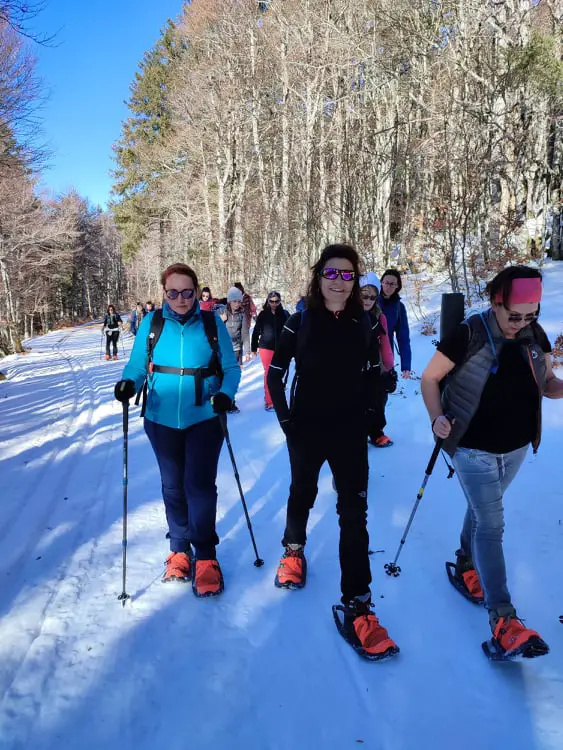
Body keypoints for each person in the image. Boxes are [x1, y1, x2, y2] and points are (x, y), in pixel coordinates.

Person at [421, 266, 563, 659]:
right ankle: (504, 621)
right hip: (472, 447)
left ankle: (465, 560)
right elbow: (430, 379)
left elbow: (547, 385)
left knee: (483, 510)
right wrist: (437, 419)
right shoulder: (468, 333)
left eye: (530, 315)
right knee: (492, 523)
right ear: (496, 303)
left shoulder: (535, 335)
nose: (522, 323)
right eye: (514, 315)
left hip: (516, 447)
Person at [267, 244, 399, 661]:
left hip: (348, 433)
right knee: (302, 493)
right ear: (319, 275)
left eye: (347, 274)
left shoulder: (366, 322)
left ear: (355, 279)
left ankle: (358, 603)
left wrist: (371, 413)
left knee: (353, 513)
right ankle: (293, 550)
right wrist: (287, 421)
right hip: (306, 429)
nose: (339, 281)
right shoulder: (299, 320)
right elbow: (275, 374)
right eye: (332, 273)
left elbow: (377, 374)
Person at [113, 262, 241, 597]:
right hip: (160, 418)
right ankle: (180, 549)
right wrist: (129, 383)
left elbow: (230, 367)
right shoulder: (152, 324)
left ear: (197, 292)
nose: (181, 299)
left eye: (187, 292)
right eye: (173, 293)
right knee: (172, 487)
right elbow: (137, 364)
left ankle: (206, 556)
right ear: (164, 293)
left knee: (199, 486)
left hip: (205, 417)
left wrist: (226, 395)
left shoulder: (212, 323)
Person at [359, 276, 395, 447]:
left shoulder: (379, 316)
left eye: (373, 297)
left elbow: (386, 343)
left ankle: (376, 432)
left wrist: (389, 369)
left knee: (378, 400)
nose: (368, 300)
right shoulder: (347, 315)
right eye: (364, 296)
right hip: (353, 368)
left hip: (375, 365)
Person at [251, 291, 290, 411]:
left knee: (278, 374)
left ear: (280, 301)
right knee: (269, 374)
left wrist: (292, 347)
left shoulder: (284, 314)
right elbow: (256, 331)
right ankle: (269, 401)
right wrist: (253, 348)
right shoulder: (263, 314)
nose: (274, 304)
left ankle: (276, 397)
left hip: (280, 348)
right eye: (271, 301)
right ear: (268, 301)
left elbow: (290, 332)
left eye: (276, 301)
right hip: (266, 348)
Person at [221, 286, 251, 413]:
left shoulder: (242, 314)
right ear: (229, 301)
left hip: (236, 349)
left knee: (232, 377)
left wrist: (248, 350)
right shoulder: (222, 312)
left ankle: (231, 403)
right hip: (223, 350)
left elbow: (245, 332)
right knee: (222, 376)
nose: (237, 304)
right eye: (235, 301)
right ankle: (221, 401)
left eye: (239, 301)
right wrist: (221, 320)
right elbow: (214, 330)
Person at [378, 269, 412, 379]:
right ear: (381, 282)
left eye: (392, 284)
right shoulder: (370, 300)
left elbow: (403, 337)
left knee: (383, 391)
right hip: (366, 351)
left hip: (386, 353)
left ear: (397, 286)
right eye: (386, 282)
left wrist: (406, 365)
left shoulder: (399, 307)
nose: (388, 286)